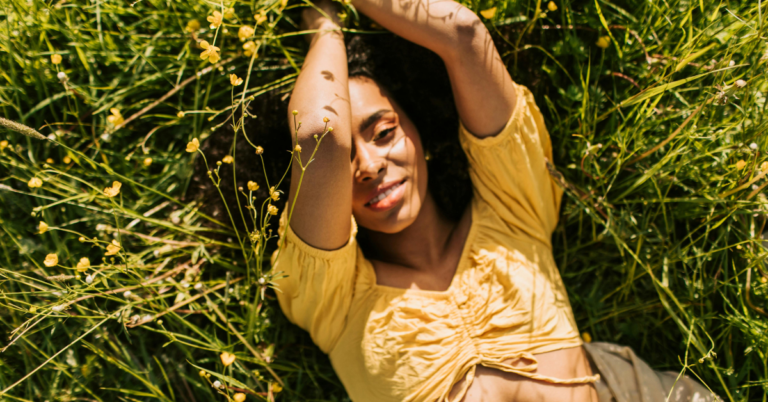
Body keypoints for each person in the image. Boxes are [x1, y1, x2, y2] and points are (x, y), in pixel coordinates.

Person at [271, 0, 719, 400]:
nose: (368, 166)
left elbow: (463, 35)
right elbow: (320, 136)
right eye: (349, 157)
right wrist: (325, 25)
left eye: (385, 133)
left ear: (418, 131)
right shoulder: (334, 300)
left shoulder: (513, 212)